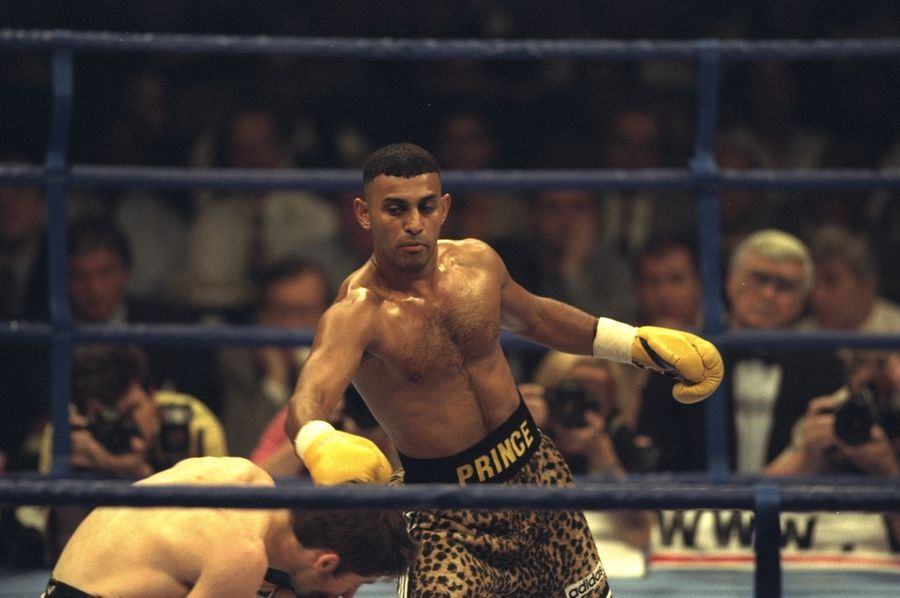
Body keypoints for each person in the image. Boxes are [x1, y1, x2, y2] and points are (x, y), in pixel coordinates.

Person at [283, 143, 724, 596]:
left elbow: (535, 318)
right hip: (446, 513)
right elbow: (306, 402)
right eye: (395, 209)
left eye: (425, 206)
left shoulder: (477, 263)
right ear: (363, 213)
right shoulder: (356, 313)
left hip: (534, 473)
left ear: (444, 208)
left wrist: (633, 343)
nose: (413, 223)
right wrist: (322, 446)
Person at [44, 456, 418, 598]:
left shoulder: (245, 475)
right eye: (354, 586)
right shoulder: (242, 556)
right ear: (325, 562)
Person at [638, 228, 846, 472]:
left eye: (785, 286)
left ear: (804, 298)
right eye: (759, 279)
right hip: (696, 505)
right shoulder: (681, 356)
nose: (768, 294)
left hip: (792, 508)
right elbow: (655, 458)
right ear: (730, 282)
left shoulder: (826, 368)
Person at [38, 344, 228, 560]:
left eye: (132, 410)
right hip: (96, 555)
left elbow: (217, 529)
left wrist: (141, 475)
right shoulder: (68, 434)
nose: (125, 425)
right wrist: (72, 475)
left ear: (152, 394)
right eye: (108, 417)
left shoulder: (194, 425)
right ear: (84, 415)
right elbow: (62, 547)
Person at [67, 216, 219, 409]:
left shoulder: (173, 330)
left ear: (126, 272)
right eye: (79, 277)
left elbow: (202, 406)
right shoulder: (41, 338)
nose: (94, 289)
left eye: (105, 272)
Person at [216, 257, 332, 457]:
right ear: (261, 315)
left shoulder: (352, 360)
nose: (292, 326)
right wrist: (274, 382)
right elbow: (245, 453)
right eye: (280, 312)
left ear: (329, 313)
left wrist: (315, 376)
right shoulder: (238, 365)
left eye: (304, 312)